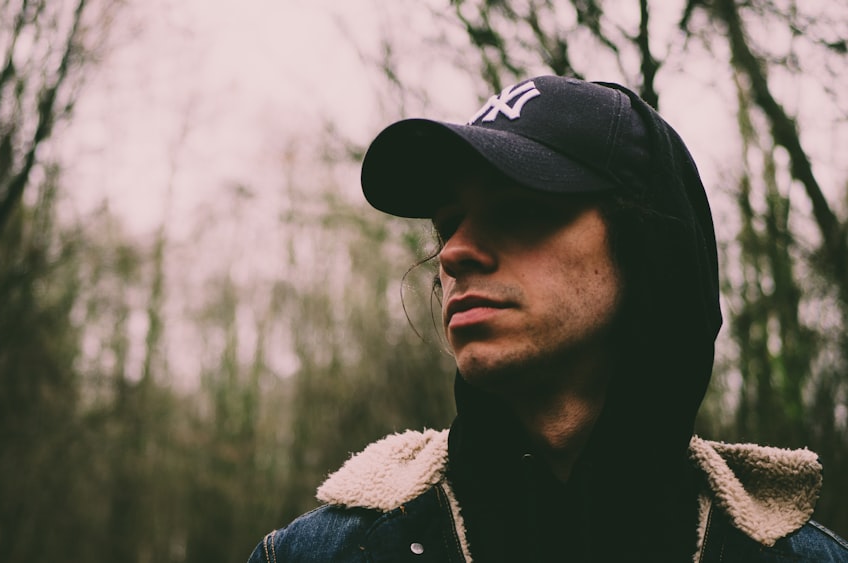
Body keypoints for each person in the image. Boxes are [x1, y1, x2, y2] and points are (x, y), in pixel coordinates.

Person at [246, 76, 848, 562]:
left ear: (649, 253)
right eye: (449, 222)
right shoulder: (314, 556)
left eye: (520, 209)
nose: (453, 252)